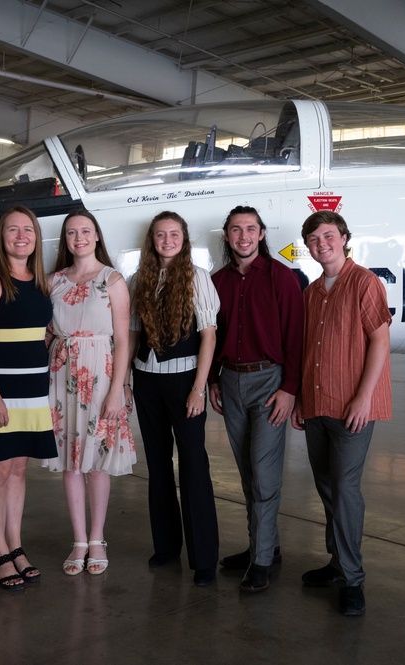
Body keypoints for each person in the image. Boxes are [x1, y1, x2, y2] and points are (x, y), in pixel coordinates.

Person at [292, 210, 392, 617]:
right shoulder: (313, 292)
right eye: (314, 240)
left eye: (329, 236)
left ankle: (353, 579)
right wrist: (300, 399)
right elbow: (308, 351)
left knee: (346, 489)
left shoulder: (364, 283)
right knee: (328, 488)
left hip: (352, 408)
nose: (322, 244)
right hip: (317, 405)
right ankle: (337, 563)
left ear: (344, 237)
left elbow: (380, 341)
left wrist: (363, 397)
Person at [209, 205, 304, 593]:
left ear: (262, 234)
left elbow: (296, 337)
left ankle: (261, 562)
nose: (243, 236)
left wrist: (289, 390)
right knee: (248, 473)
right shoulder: (217, 281)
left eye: (250, 229)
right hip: (231, 382)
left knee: (264, 476)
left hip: (269, 383)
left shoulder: (283, 278)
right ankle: (265, 546)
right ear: (227, 235)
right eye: (236, 229)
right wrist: (214, 379)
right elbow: (212, 333)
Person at [0, 206, 58, 591]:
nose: (21, 236)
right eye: (12, 230)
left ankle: (17, 545)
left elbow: (38, 332)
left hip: (33, 391)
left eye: (28, 230)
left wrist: (55, 344)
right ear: (1, 237)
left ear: (36, 237)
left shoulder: (41, 283)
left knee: (19, 470)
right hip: (0, 391)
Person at [129, 211, 221, 587]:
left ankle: (203, 559)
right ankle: (166, 546)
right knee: (158, 465)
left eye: (174, 234)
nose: (167, 240)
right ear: (151, 240)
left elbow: (209, 336)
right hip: (146, 382)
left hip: (185, 382)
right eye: (160, 235)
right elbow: (133, 334)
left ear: (185, 238)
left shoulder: (197, 277)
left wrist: (199, 388)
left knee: (194, 466)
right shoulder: (139, 279)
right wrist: (124, 381)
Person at [44, 208, 136, 576]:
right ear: (65, 240)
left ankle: (97, 538)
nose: (79, 238)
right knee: (70, 460)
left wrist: (119, 389)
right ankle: (78, 539)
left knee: (97, 461)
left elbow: (124, 340)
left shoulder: (112, 280)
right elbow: (47, 331)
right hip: (63, 374)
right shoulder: (54, 281)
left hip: (100, 375)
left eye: (85, 231)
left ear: (97, 236)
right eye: (71, 233)